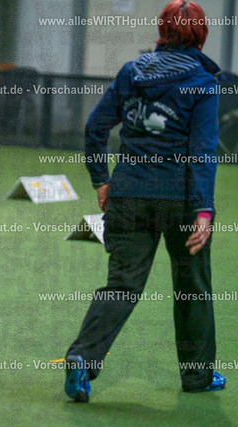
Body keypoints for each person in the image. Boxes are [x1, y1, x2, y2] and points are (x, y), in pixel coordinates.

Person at [64, 0, 225, 402]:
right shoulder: (203, 84)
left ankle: (82, 358)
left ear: (162, 30)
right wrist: (203, 210)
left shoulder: (130, 72)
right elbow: (203, 153)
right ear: (201, 35)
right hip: (180, 201)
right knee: (192, 287)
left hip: (128, 195)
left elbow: (95, 128)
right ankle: (198, 376)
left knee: (122, 285)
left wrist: (102, 181)